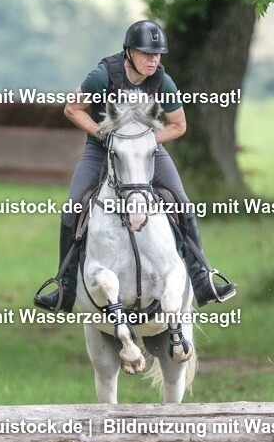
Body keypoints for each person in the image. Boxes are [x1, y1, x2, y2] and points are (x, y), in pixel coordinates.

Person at [33, 19, 237, 312]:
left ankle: (203, 279)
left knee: (183, 204)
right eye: (146, 53)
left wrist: (144, 141)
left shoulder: (162, 82)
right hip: (100, 148)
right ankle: (65, 288)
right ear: (129, 52)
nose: (153, 60)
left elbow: (178, 125)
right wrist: (103, 134)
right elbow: (72, 108)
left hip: (147, 149)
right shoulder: (103, 75)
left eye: (157, 55)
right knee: (75, 206)